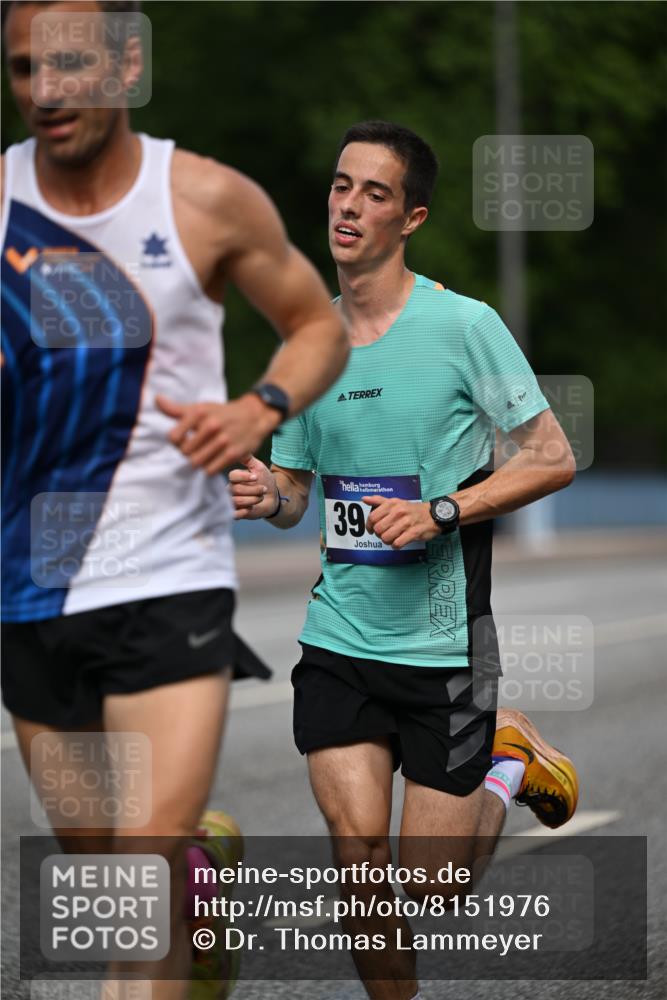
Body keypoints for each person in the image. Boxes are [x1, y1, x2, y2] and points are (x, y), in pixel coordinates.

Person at [0, 2, 348, 998]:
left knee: (136, 887)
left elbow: (315, 325)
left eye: (70, 63)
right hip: (31, 584)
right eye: (23, 68)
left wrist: (258, 407)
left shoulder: (202, 198)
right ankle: (201, 868)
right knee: (100, 863)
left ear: (127, 66)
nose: (46, 90)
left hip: (167, 576)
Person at [225, 121, 579, 999]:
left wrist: (440, 511)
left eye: (374, 193)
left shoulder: (464, 327)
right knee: (358, 858)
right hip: (339, 638)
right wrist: (267, 493)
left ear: (410, 217)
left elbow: (551, 457)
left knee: (432, 885)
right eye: (341, 185)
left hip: (444, 647)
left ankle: (506, 760)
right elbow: (297, 493)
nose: (348, 206)